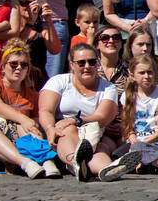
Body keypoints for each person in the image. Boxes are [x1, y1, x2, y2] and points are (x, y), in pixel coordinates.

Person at [0, 40, 59, 178]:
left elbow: (35, 123)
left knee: (25, 127)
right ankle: (26, 163)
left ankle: (46, 162)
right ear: (3, 67)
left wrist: (32, 125)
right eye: (13, 64)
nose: (18, 68)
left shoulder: (32, 95)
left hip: (17, 143)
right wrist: (23, 119)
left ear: (28, 69)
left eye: (24, 65)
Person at [39, 41, 127, 181]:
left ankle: (103, 169)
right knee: (68, 129)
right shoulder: (59, 81)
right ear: (72, 65)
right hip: (62, 131)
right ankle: (80, 164)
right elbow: (46, 110)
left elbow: (102, 116)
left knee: (100, 146)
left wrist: (76, 120)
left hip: (93, 132)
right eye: (81, 63)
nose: (87, 67)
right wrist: (50, 129)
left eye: (91, 62)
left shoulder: (108, 88)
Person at [12, 0, 61, 86]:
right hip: (17, 78)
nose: (29, 7)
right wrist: (30, 22)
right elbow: (17, 45)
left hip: (37, 80)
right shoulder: (13, 29)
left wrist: (49, 21)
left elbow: (55, 50)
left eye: (33, 3)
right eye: (25, 3)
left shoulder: (42, 32)